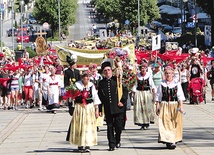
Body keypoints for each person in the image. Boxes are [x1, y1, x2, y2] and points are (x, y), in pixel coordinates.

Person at [67, 70, 100, 153]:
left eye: (88, 76)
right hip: (80, 108)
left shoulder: (91, 86)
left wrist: (97, 109)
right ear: (82, 77)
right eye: (86, 76)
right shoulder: (77, 85)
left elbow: (95, 97)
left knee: (88, 126)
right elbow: (71, 97)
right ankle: (80, 144)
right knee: (80, 125)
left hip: (89, 108)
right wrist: (72, 106)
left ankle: (88, 143)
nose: (87, 78)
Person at [98, 61, 128, 151]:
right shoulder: (101, 83)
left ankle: (117, 139)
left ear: (111, 70)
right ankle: (111, 144)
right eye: (105, 71)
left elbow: (125, 91)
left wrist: (122, 101)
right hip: (108, 108)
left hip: (118, 107)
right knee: (110, 126)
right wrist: (100, 109)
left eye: (108, 70)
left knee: (118, 126)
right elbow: (100, 97)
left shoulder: (117, 80)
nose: (107, 72)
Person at [155, 66, 185, 149]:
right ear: (165, 74)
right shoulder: (162, 84)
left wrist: (181, 107)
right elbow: (158, 96)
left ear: (173, 74)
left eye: (170, 73)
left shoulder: (176, 84)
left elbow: (180, 96)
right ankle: (168, 140)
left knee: (174, 122)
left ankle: (173, 140)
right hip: (164, 105)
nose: (169, 75)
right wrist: (157, 107)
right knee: (165, 123)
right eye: (167, 73)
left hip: (174, 105)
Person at [132, 62, 156, 130]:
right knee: (140, 108)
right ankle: (141, 122)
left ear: (146, 69)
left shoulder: (148, 76)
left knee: (147, 107)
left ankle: (146, 122)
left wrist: (154, 96)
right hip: (139, 93)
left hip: (146, 93)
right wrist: (134, 95)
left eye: (144, 68)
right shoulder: (137, 76)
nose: (143, 70)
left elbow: (152, 86)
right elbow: (135, 86)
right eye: (142, 68)